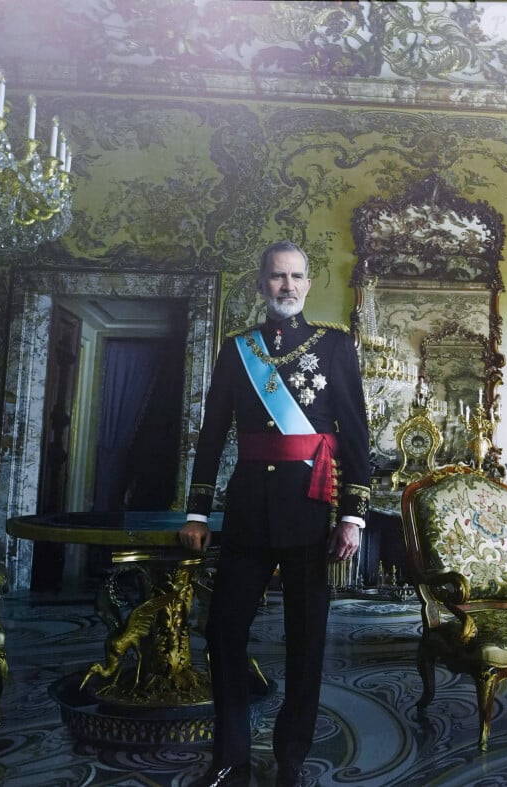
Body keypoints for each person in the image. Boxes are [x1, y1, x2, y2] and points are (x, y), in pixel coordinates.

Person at [179, 240, 371, 787]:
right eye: (276, 276)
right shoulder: (237, 348)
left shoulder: (334, 346)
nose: (287, 285)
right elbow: (212, 435)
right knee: (222, 631)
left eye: (296, 276)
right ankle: (231, 754)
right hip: (247, 512)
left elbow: (356, 434)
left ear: (309, 284)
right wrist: (196, 512)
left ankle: (291, 756)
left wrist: (353, 517)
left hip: (313, 509)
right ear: (260, 283)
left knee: (306, 639)